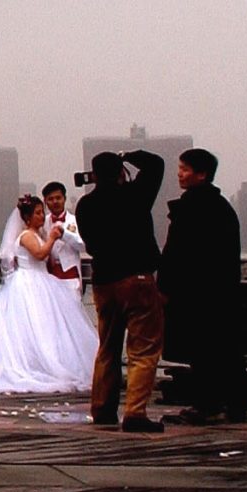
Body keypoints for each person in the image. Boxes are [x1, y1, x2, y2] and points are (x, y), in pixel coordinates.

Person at [0, 193, 102, 393]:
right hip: (30, 283)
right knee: (33, 326)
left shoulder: (36, 235)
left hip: (40, 281)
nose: (42, 216)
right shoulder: (27, 236)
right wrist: (52, 238)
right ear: (28, 217)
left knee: (46, 327)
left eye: (42, 212)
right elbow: (40, 254)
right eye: (38, 213)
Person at [78, 147, 168, 433]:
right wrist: (128, 154)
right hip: (137, 279)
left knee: (107, 348)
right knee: (143, 349)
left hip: (104, 282)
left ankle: (102, 410)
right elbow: (155, 164)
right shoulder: (136, 195)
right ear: (120, 173)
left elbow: (90, 245)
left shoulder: (84, 206)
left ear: (93, 175)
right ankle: (135, 413)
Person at [161, 147, 247, 424]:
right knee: (225, 349)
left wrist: (165, 285)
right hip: (220, 290)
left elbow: (177, 252)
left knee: (202, 350)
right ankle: (237, 403)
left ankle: (206, 405)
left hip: (196, 293)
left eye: (185, 169)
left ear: (201, 175)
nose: (180, 174)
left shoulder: (192, 208)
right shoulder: (222, 207)